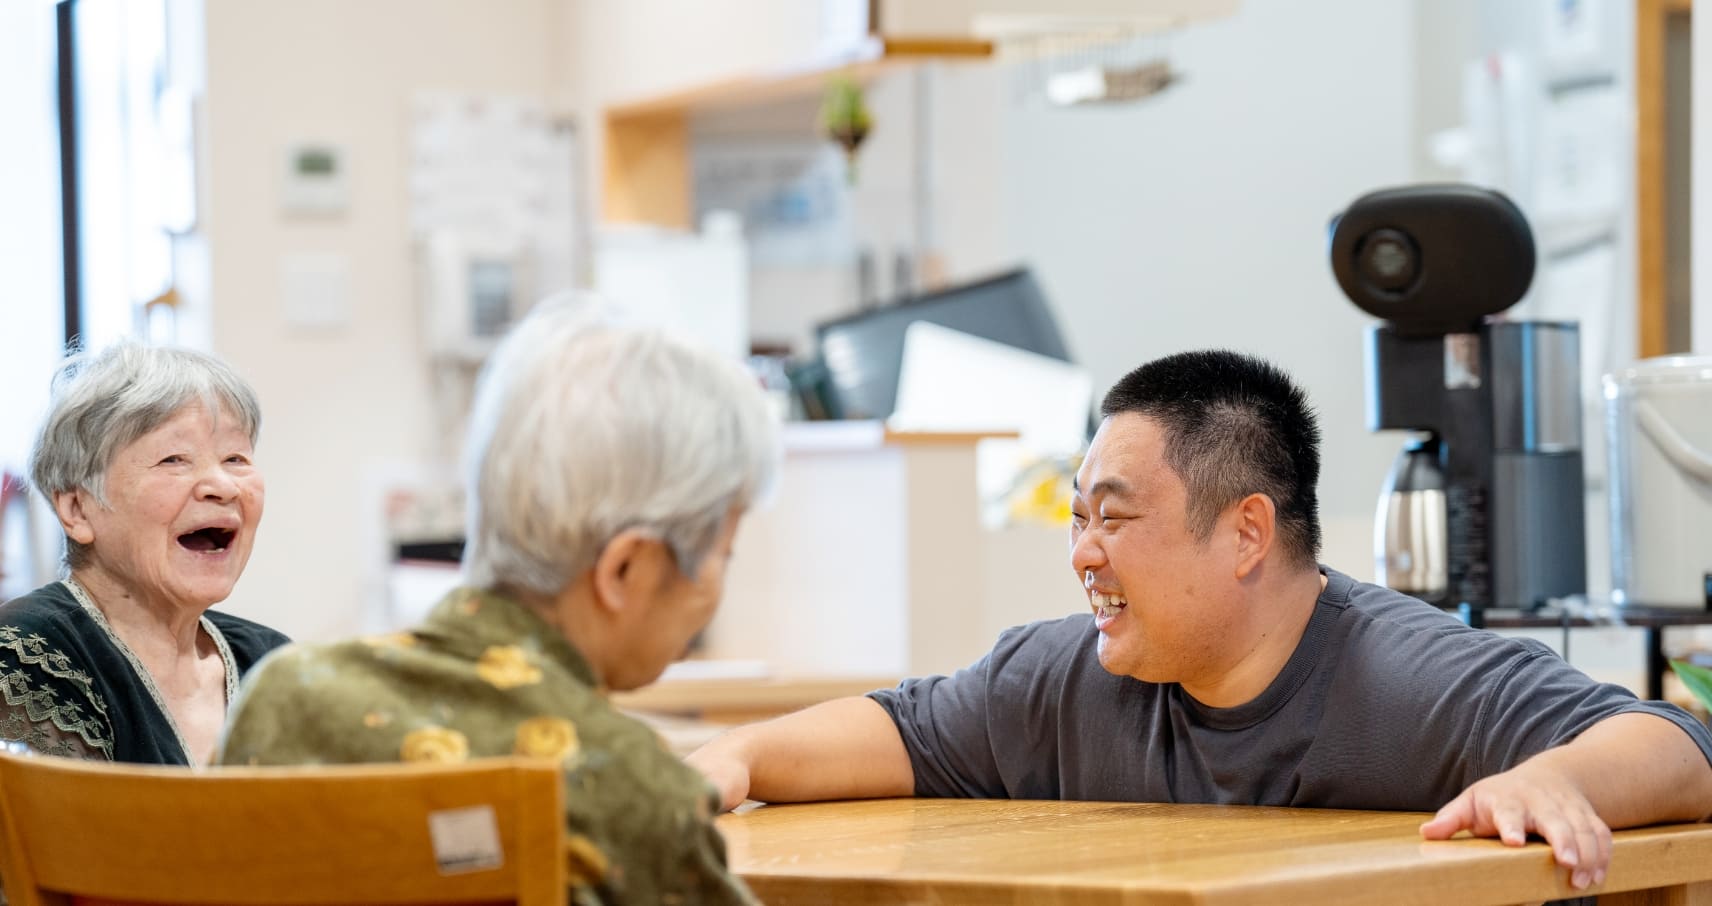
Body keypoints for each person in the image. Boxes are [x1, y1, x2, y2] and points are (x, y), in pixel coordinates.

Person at [688, 348, 1712, 893]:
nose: (1083, 551)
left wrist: (1550, 778)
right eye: (1077, 516)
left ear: (1245, 533)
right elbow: (903, 732)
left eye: (1116, 518)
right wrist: (735, 758)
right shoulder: (1067, 677)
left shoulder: (1407, 675)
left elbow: (1677, 744)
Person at [220, 300, 779, 905]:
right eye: (723, 552)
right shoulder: (631, 793)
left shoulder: (283, 697)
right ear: (625, 568)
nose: (719, 583)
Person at [0, 341, 288, 765]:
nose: (223, 486)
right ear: (77, 509)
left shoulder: (270, 662)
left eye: (235, 457)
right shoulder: (28, 654)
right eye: (174, 459)